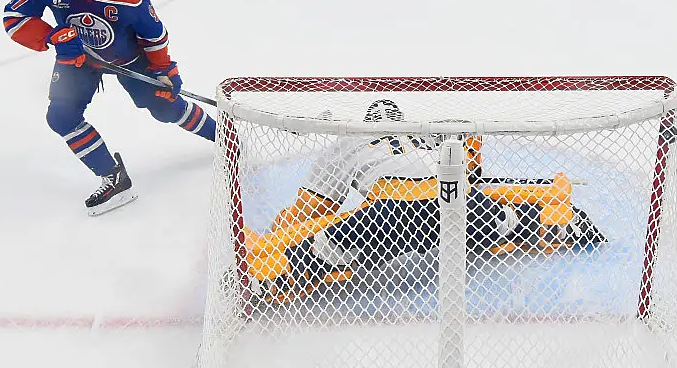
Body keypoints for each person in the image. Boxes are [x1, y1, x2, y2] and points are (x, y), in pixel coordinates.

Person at [244, 99, 606, 302]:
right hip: (454, 202)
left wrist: (282, 231)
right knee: (504, 219)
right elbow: (471, 169)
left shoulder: (344, 143)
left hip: (390, 216)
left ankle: (275, 274)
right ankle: (554, 221)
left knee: (317, 250)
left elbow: (312, 211)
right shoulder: (426, 134)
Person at [2, 0, 216, 215]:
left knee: (167, 108)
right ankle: (113, 177)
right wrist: (54, 36)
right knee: (61, 117)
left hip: (129, 58)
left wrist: (164, 68)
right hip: (78, 58)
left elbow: (153, 34)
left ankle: (225, 140)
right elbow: (15, 17)